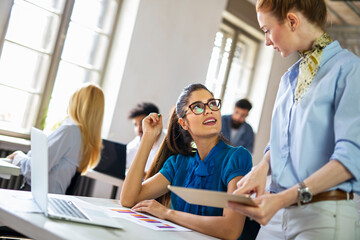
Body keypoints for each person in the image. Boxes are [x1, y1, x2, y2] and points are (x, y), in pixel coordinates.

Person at [228, 1, 360, 239]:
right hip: (277, 213)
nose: (267, 40)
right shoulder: (289, 78)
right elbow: (280, 143)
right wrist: (262, 168)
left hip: (324, 215)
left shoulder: (350, 70)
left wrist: (283, 198)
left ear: (291, 21)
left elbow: (351, 158)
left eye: (267, 29)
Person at [120, 83, 253, 239]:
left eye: (212, 103)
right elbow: (128, 199)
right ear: (184, 123)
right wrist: (148, 138)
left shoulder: (237, 157)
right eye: (197, 107)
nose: (209, 110)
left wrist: (167, 213)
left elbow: (230, 230)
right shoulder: (178, 163)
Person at [7, 83, 105, 194]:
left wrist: (18, 157)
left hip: (38, 197)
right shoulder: (84, 137)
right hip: (53, 198)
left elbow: (35, 170)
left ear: (76, 103)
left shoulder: (69, 131)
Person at [126, 102, 166, 173]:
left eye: (142, 123)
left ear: (155, 120)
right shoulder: (132, 146)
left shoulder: (171, 141)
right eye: (135, 125)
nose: (139, 129)